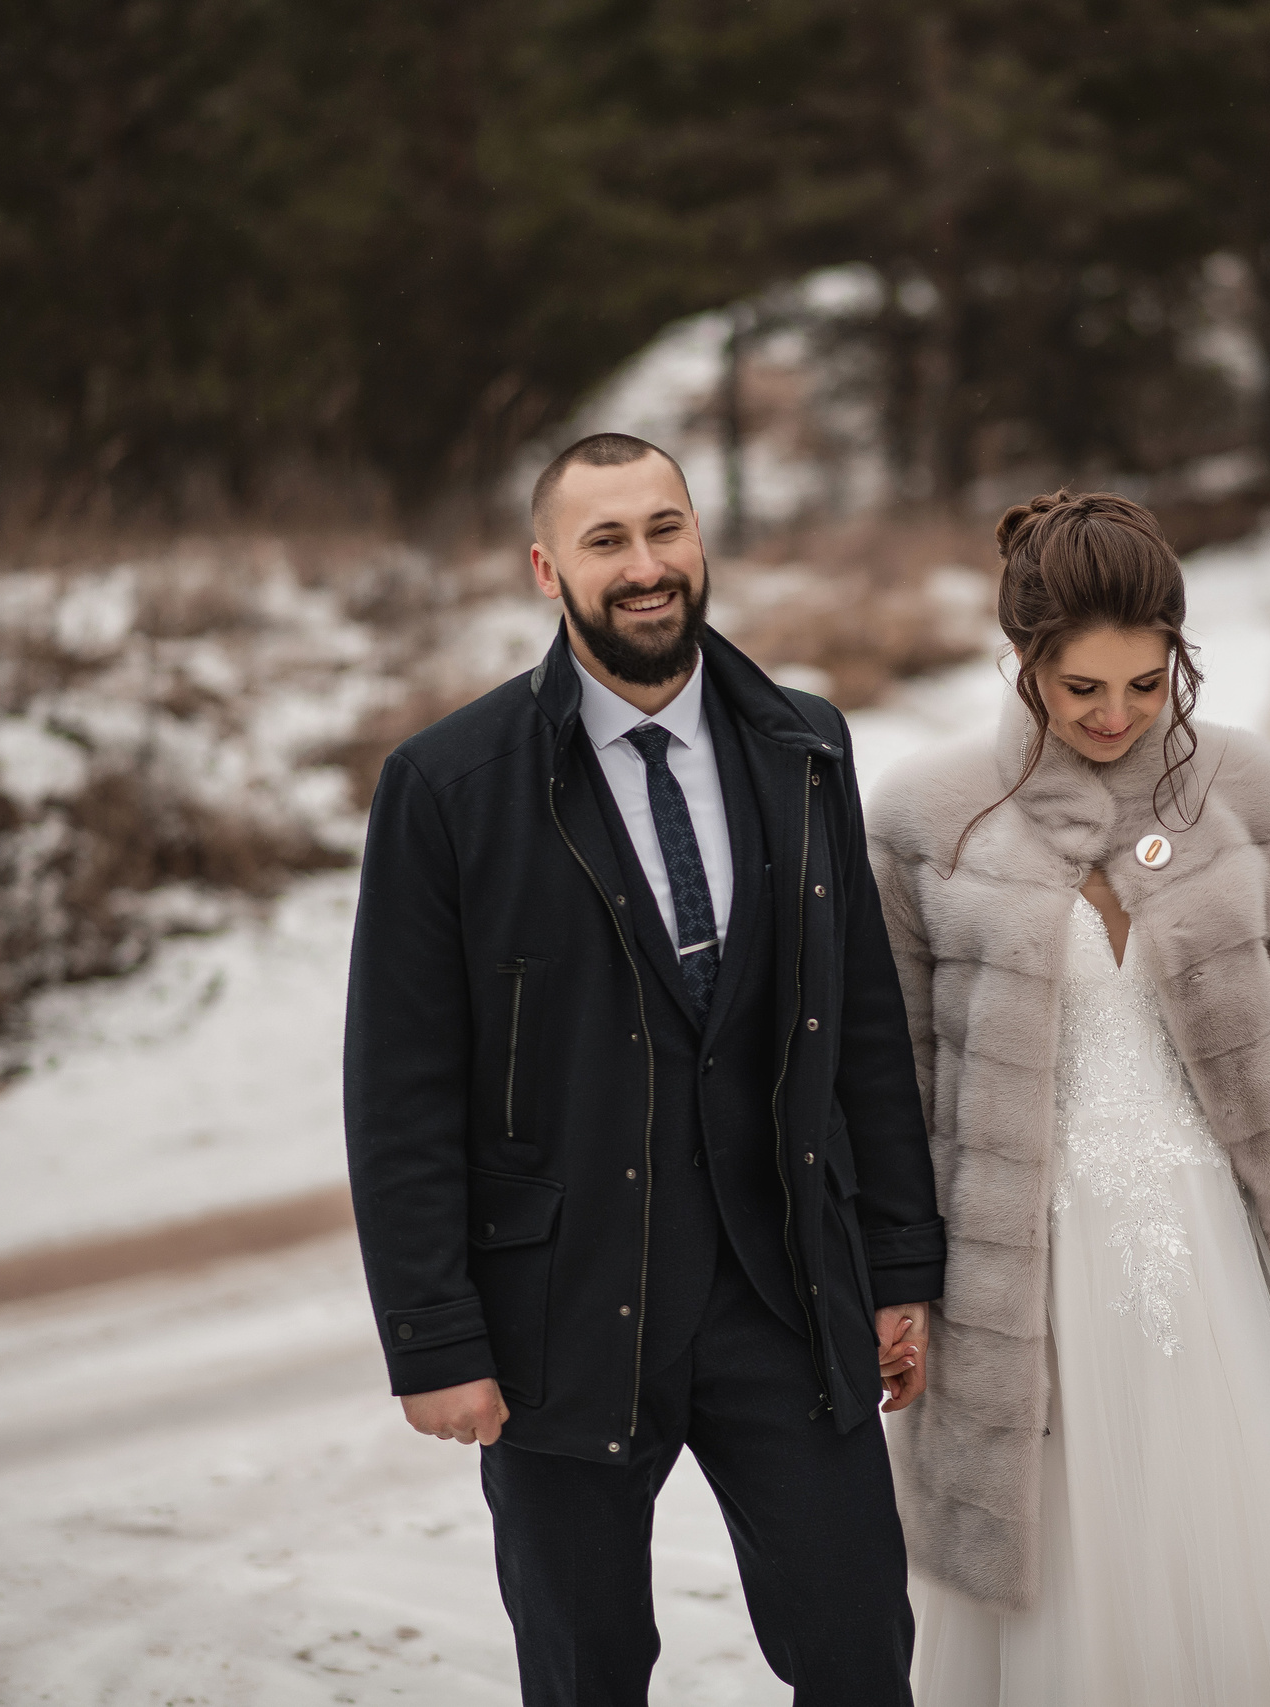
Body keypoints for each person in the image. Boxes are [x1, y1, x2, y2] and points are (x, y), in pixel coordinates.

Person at [342, 431, 946, 1706]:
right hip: (562, 1311)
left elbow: (861, 1024)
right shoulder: (447, 786)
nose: (644, 565)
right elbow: (400, 1086)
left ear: (699, 539)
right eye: (605, 540)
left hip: (784, 1289)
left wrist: (897, 1267)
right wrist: (432, 1335)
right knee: (588, 1673)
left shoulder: (804, 743)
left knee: (859, 1652)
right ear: (546, 570)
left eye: (664, 528)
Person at [867, 490, 1270, 1706]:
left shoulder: (1257, 803)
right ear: (1023, 659)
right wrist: (892, 1290)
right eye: (1081, 687)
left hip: (1226, 1275)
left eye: (1146, 684)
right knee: (1060, 1585)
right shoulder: (923, 823)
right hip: (1019, 1291)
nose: (1115, 715)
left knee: (1260, 1566)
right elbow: (895, 1095)